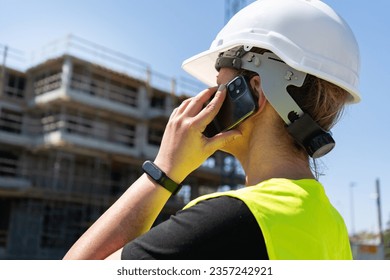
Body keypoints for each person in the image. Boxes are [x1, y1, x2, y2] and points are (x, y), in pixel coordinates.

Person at [63, 0, 360, 260]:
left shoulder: (230, 219)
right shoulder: (330, 224)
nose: (209, 96)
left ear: (255, 91)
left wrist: (165, 170)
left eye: (221, 85)